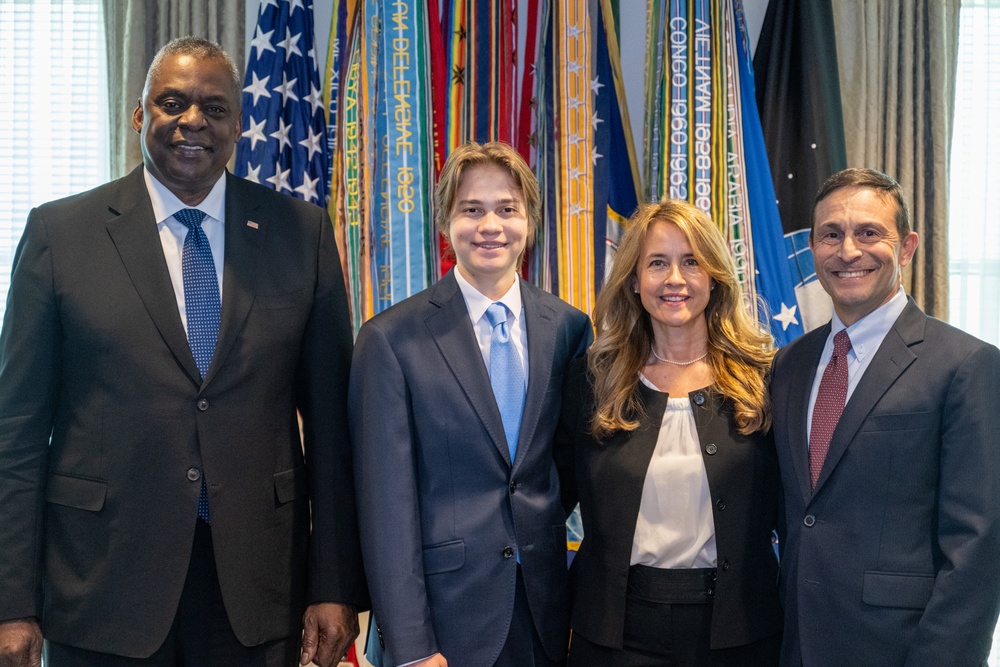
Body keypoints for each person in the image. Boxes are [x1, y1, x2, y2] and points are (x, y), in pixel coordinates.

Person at [0, 37, 368, 667]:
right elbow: (18, 433)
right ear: (139, 115)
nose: (192, 122)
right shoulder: (60, 235)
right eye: (172, 103)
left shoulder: (299, 234)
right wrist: (11, 599)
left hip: (258, 591)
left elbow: (333, 426)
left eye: (214, 108)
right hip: (102, 586)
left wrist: (333, 585)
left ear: (238, 123)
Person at [349, 141, 592, 667]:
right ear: (445, 223)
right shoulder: (390, 340)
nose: (491, 226)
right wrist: (413, 647)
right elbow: (384, 509)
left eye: (507, 209)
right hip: (441, 625)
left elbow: (566, 464)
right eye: (471, 209)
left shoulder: (569, 329)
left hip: (542, 613)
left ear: (529, 221)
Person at [771, 168, 1000, 666]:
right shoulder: (787, 365)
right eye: (831, 234)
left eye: (869, 232)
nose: (848, 250)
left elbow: (977, 547)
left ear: (907, 247)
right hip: (795, 643)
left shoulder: (965, 365)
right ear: (813, 247)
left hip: (901, 649)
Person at [556, 200, 782, 666]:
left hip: (738, 630)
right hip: (617, 634)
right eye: (657, 263)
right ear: (634, 280)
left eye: (691, 262)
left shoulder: (766, 379)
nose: (674, 279)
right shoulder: (591, 381)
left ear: (715, 277)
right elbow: (548, 499)